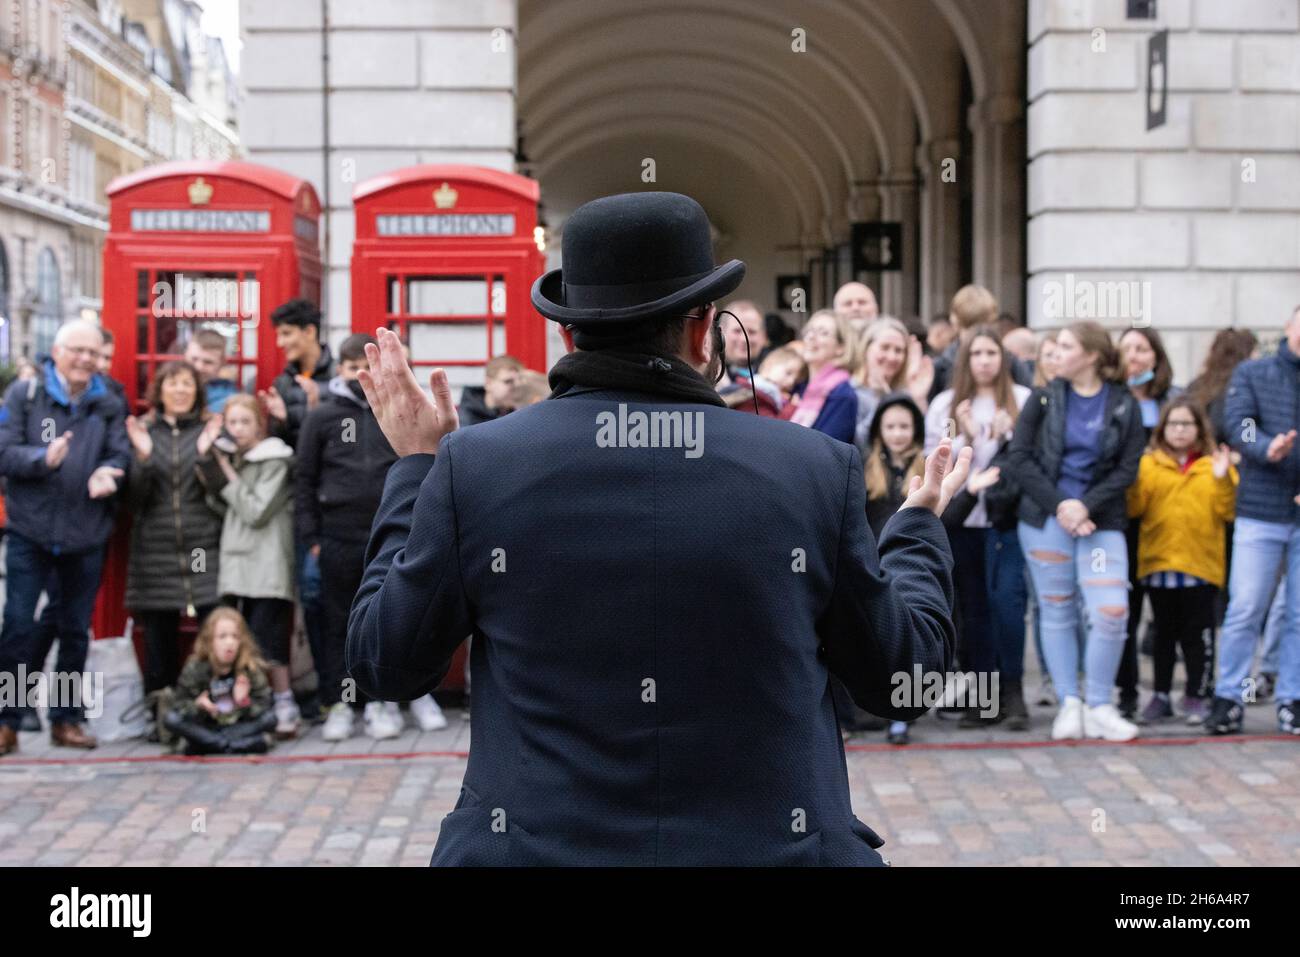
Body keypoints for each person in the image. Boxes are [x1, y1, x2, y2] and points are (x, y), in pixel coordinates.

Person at [347, 191, 969, 866]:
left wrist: (415, 467)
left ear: (566, 334)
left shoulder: (476, 468)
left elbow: (385, 660)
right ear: (703, 330)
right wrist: (915, 526)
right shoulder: (812, 468)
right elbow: (901, 674)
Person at [297, 333, 446, 742]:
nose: (359, 378)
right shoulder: (322, 417)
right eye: (351, 370)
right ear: (340, 371)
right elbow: (304, 480)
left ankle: (385, 700)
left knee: (399, 615)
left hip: (393, 530)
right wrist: (311, 536)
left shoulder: (397, 412)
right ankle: (343, 703)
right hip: (337, 536)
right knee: (337, 623)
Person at [1009, 320, 1146, 742]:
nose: (1055, 354)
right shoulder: (1043, 397)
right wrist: (1063, 505)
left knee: (1111, 611)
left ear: (1090, 354)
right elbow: (1019, 458)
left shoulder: (1123, 403)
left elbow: (1128, 468)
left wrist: (1084, 504)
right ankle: (1070, 703)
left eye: (1065, 347)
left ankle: (1100, 704)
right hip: (1047, 519)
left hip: (1101, 520)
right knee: (1056, 608)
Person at [0, 320, 130, 755]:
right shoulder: (25, 395)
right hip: (30, 531)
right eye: (78, 351)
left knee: (76, 630)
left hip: (84, 531)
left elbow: (120, 453)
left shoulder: (108, 401)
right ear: (56, 351)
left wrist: (109, 473)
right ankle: (8, 719)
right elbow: (4, 451)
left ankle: (67, 718)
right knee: (17, 626)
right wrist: (42, 458)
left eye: (93, 354)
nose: (86, 361)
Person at [926, 326, 1032, 729]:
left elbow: (1034, 459)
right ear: (965, 360)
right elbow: (932, 463)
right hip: (962, 520)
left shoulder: (1021, 401)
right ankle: (983, 697)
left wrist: (1010, 434)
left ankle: (1014, 690)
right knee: (972, 610)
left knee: (1007, 602)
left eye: (992, 353)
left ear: (1004, 359)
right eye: (977, 354)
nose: (985, 361)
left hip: (1007, 521)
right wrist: (966, 436)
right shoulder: (944, 405)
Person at [1208, 307, 1300, 736]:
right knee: (1246, 607)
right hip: (1261, 509)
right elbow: (1238, 426)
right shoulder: (1253, 373)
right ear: (1288, 326)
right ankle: (1229, 696)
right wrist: (1267, 447)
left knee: (1299, 613)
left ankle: (1292, 698)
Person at [1126, 399, 1236, 726]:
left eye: (1186, 424)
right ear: (1163, 428)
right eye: (1173, 424)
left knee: (1198, 636)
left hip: (1200, 568)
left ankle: (1197, 694)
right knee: (1162, 633)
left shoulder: (1214, 465)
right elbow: (1134, 509)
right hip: (1159, 566)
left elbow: (1227, 511)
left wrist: (1222, 479)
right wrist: (1131, 479)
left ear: (1199, 429)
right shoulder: (1149, 465)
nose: (1179, 430)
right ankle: (1160, 694)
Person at [197, 394, 299, 738]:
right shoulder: (235, 459)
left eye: (245, 422)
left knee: (268, 637)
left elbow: (256, 511)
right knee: (235, 641)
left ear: (260, 425)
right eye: (232, 423)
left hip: (266, 562)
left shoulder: (275, 460)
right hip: (235, 561)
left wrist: (225, 470)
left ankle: (284, 702)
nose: (238, 430)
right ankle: (244, 707)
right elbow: (224, 510)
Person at [124, 361, 225, 700]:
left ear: (197, 391)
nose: (180, 390)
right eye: (173, 383)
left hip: (204, 546)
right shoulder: (145, 432)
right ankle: (161, 708)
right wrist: (144, 458)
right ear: (160, 390)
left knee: (215, 626)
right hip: (156, 547)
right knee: (158, 633)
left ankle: (215, 700)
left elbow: (224, 493)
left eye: (187, 384)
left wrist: (205, 454)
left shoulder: (209, 430)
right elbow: (134, 500)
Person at [1115, 326, 1183, 718]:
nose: (1134, 357)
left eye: (1142, 349)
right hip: (1122, 519)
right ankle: (1126, 693)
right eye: (1126, 350)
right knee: (1124, 608)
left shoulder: (1173, 401)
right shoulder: (1111, 400)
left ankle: (1162, 693)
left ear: (1156, 357)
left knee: (1168, 612)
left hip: (1165, 519)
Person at [861, 392, 928, 745]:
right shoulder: (866, 465)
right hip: (877, 564)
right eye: (891, 426)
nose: (898, 433)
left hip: (914, 563)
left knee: (910, 637)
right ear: (878, 430)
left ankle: (906, 711)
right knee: (881, 638)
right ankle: (884, 708)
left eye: (905, 426)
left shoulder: (927, 464)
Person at [163, 607, 276, 755]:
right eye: (222, 636)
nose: (229, 642)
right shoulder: (196, 666)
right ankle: (227, 745)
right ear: (210, 641)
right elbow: (179, 705)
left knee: (270, 719)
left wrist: (243, 702)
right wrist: (198, 706)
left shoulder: (249, 668)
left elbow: (264, 706)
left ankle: (211, 745)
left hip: (238, 727)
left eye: (235, 636)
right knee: (171, 719)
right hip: (206, 726)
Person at [929, 285, 1033, 401]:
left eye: (980, 327)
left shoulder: (1011, 363)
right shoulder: (940, 368)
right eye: (968, 328)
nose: (983, 361)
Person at [851, 316, 932, 453]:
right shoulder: (850, 392)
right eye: (885, 347)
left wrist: (919, 399)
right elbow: (858, 445)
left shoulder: (906, 393)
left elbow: (925, 445)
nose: (892, 357)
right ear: (866, 348)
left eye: (899, 350)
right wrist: (883, 400)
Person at [782, 309, 860, 444]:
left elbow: (826, 452)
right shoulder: (796, 386)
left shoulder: (842, 395)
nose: (812, 337)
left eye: (823, 333)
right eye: (809, 331)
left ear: (841, 347)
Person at [723, 346, 804, 418]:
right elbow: (773, 425)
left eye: (795, 380)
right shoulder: (759, 396)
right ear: (770, 365)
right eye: (788, 373)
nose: (791, 381)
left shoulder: (757, 388)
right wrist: (791, 407)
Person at [457, 355, 523, 426]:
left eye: (520, 382)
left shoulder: (519, 411)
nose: (516, 387)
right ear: (488, 383)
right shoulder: (469, 416)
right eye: (508, 381)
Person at [184, 328, 239, 413]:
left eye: (208, 362)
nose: (199, 367)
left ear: (222, 364)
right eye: (194, 359)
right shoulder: (168, 386)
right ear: (185, 356)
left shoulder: (229, 398)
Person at [717, 300, 770, 387]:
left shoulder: (780, 372)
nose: (744, 339)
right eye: (737, 331)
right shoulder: (707, 373)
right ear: (721, 333)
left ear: (764, 336)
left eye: (752, 332)